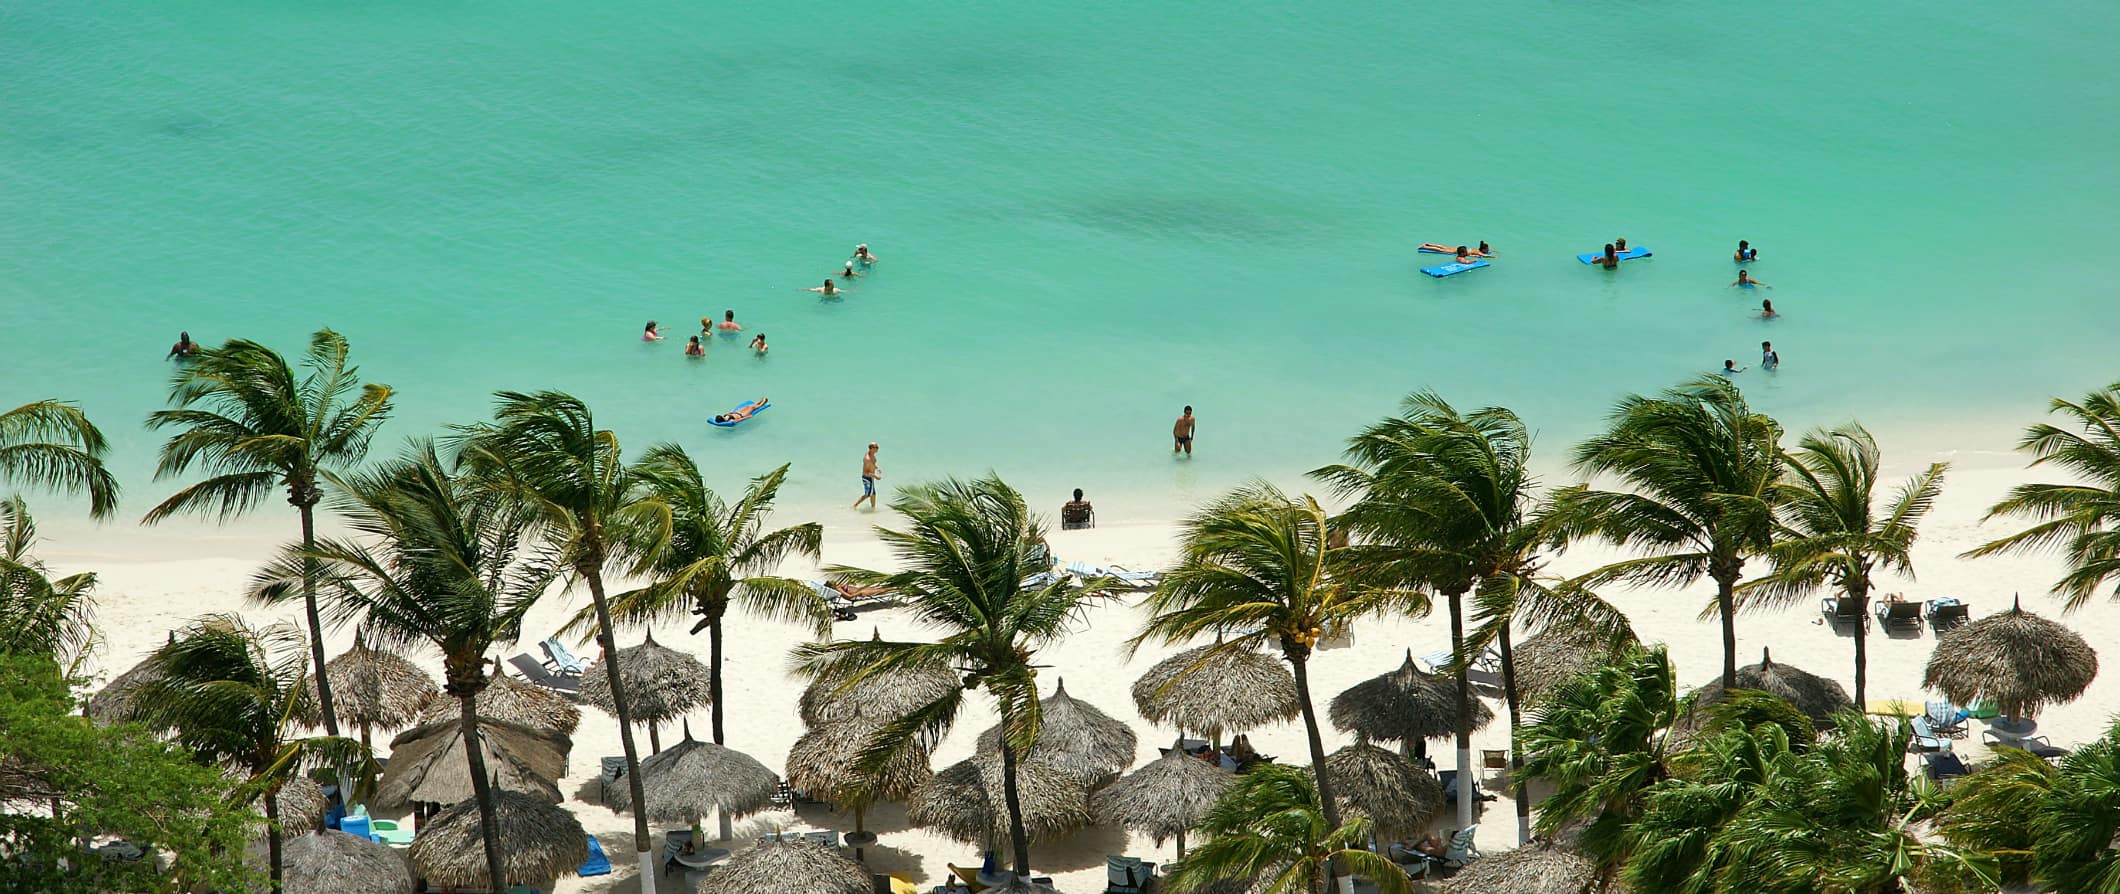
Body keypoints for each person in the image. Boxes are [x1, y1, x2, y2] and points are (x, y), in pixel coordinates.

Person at [853, 442, 882, 510]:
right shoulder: (867, 459)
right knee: (868, 494)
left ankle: (873, 509)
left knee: (873, 494)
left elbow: (872, 464)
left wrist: (876, 468)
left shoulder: (871, 454)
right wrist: (876, 477)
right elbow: (866, 472)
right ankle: (854, 506)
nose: (878, 449)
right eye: (876, 447)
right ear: (871, 448)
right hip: (867, 478)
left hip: (870, 477)